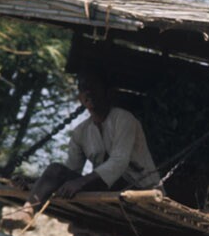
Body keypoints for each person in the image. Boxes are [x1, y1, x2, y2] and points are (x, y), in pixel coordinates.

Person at [27, 69, 158, 208]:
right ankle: (27, 211)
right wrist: (37, 182)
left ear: (108, 92)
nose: (88, 93)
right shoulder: (80, 132)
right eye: (83, 89)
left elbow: (119, 162)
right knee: (55, 170)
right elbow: (72, 170)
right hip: (107, 188)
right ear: (80, 97)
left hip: (138, 188)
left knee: (107, 176)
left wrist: (81, 182)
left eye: (93, 87)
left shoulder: (124, 119)